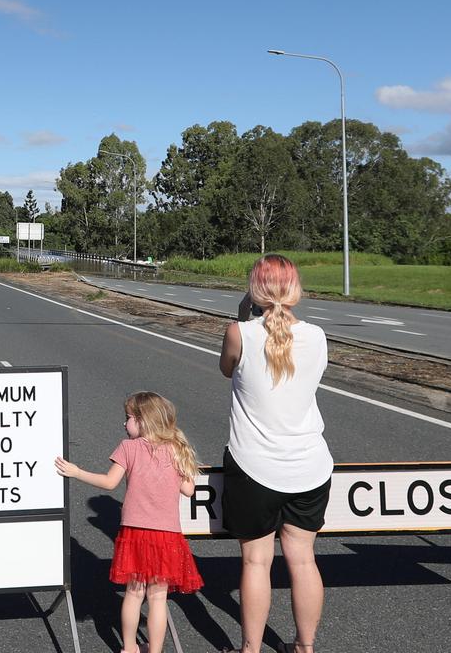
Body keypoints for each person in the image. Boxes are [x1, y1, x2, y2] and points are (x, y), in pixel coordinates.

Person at [218, 254, 333, 653]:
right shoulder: (317, 337)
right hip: (310, 465)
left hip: (254, 466)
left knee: (256, 562)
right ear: (296, 289)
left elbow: (227, 370)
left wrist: (243, 318)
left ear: (255, 290)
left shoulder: (239, 333)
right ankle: (305, 647)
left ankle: (250, 649)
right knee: (302, 560)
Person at [55, 392, 204, 653]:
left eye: (128, 418)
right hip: (167, 534)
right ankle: (155, 650)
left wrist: (77, 472)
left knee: (134, 593)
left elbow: (110, 482)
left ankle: (129, 647)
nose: (125, 424)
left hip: (135, 531)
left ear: (143, 420)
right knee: (158, 598)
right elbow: (189, 490)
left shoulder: (128, 448)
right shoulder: (176, 449)